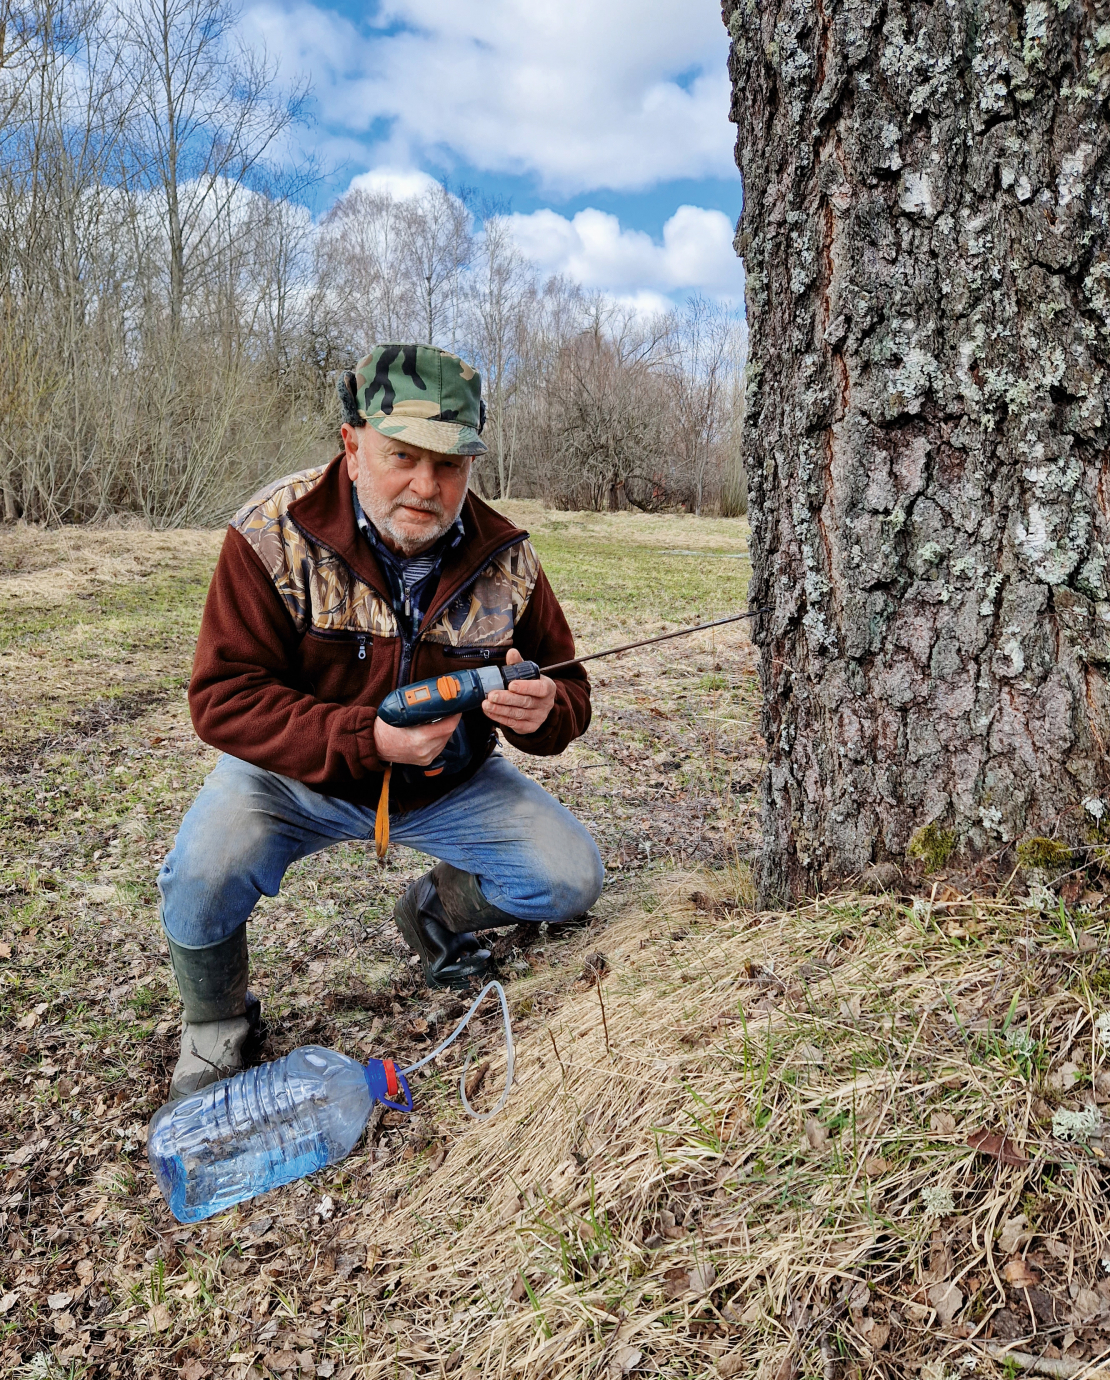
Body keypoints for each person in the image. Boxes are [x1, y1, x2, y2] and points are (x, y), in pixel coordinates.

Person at [157, 344, 604, 1100]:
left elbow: (571, 696)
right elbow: (223, 697)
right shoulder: (272, 534)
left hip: (447, 788)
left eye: (451, 465)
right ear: (352, 445)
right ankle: (215, 1026)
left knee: (570, 877)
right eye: (402, 456)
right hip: (292, 778)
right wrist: (367, 738)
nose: (426, 487)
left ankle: (431, 910)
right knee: (200, 871)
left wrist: (542, 710)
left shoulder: (508, 559)